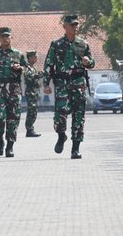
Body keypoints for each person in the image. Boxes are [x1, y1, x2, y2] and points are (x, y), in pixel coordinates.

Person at [43, 14, 95, 159]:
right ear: (65, 27)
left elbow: (92, 63)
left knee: (79, 117)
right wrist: (46, 83)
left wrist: (87, 62)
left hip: (78, 84)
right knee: (60, 116)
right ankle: (61, 136)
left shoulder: (83, 44)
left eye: (76, 25)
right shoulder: (56, 44)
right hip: (62, 84)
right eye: (72, 25)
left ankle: (75, 149)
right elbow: (49, 64)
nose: (75, 27)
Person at [0, 27, 27, 158]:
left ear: (11, 38)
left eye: (7, 36)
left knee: (13, 119)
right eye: (3, 36)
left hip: (14, 89)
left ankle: (10, 146)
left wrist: (21, 68)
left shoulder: (18, 54)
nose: (5, 38)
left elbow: (30, 71)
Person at [24, 50, 43, 137]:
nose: (36, 58)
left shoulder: (33, 67)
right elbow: (29, 77)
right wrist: (38, 75)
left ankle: (30, 129)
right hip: (31, 91)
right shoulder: (27, 67)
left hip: (34, 91)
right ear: (30, 57)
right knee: (31, 111)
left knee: (34, 111)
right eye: (35, 56)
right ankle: (29, 130)